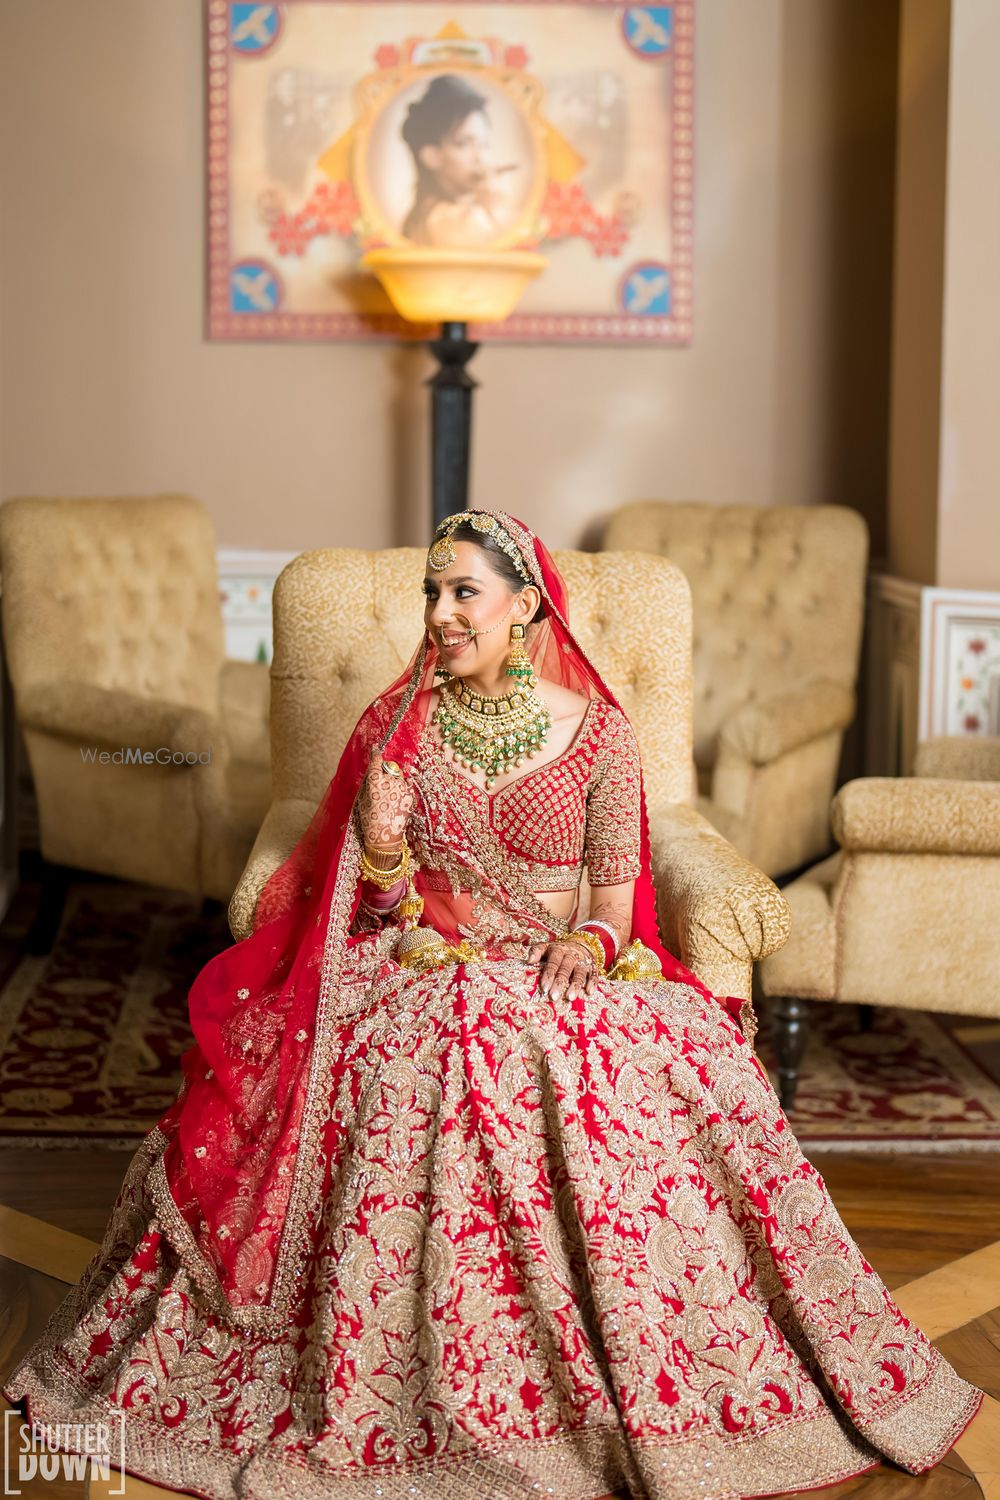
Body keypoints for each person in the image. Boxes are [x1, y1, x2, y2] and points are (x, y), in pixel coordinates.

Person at [4, 510, 983, 1499]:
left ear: (525, 607)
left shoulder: (599, 731)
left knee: (652, 1059)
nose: (438, 612)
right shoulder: (397, 729)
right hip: (428, 960)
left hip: (568, 964)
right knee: (449, 1041)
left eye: (461, 592)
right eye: (431, 592)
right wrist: (383, 842)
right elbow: (375, 903)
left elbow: (615, 899)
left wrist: (586, 942)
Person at [399, 73, 517, 247]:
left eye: (484, 144)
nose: (480, 158)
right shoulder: (453, 222)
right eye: (464, 144)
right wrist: (492, 208)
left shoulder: (449, 214)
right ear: (432, 157)